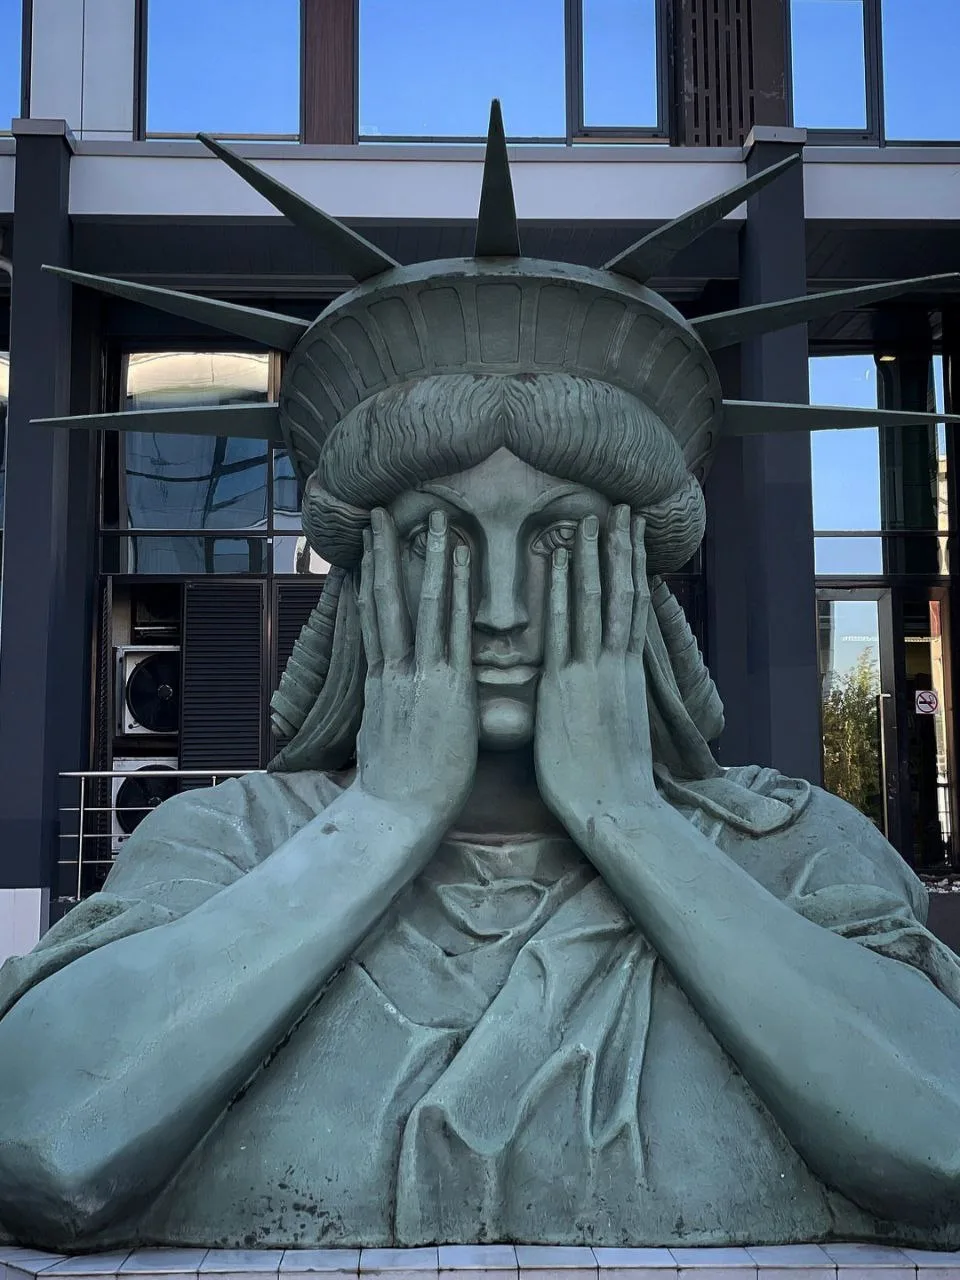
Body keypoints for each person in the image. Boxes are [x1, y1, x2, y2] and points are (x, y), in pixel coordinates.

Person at [2, 371, 960, 1253]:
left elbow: (941, 1145)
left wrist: (628, 817)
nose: (502, 610)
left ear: (642, 583)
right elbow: (43, 1143)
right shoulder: (229, 841)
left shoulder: (784, 844)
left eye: (558, 541)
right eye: (438, 540)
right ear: (359, 588)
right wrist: (384, 818)